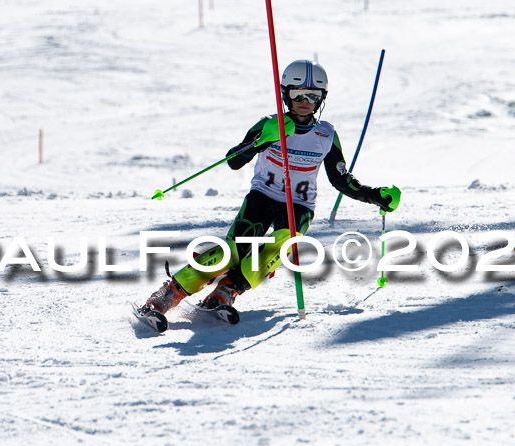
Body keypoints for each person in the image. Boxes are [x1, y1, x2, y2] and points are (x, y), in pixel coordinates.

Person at [136, 60, 400, 321]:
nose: (304, 101)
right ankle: (168, 294)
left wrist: (376, 195)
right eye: (298, 93)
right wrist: (262, 140)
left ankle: (227, 291)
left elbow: (341, 181)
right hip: (262, 196)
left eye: (313, 95)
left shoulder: (326, 135)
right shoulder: (269, 125)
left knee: (280, 244)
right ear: (285, 93)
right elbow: (233, 161)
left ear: (322, 99)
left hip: (299, 205)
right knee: (234, 251)